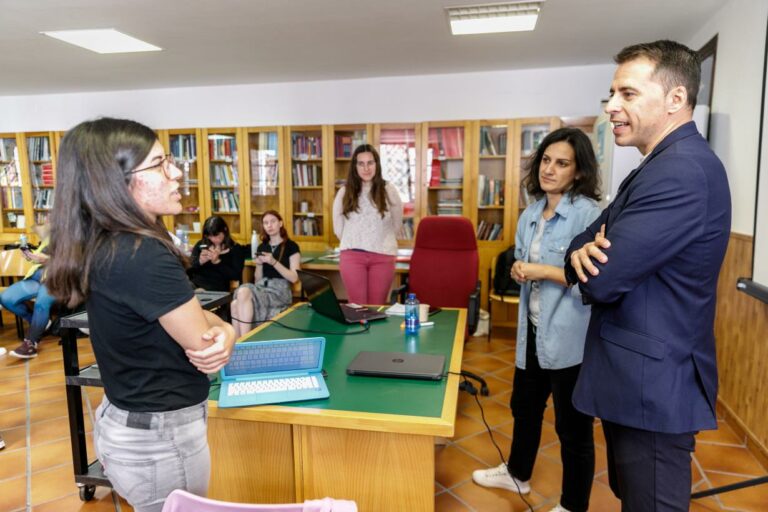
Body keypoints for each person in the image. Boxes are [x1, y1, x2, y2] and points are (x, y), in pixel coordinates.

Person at [564, 40, 731, 511]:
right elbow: (582, 242)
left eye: (628, 94)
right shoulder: (656, 167)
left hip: (654, 388)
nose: (611, 106)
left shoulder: (682, 172)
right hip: (636, 381)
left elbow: (599, 278)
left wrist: (586, 256)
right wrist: (582, 250)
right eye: (612, 94)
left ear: (675, 99)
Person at [45, 117, 236, 512]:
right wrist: (224, 329)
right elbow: (202, 341)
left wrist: (218, 326)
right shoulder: (142, 254)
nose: (177, 172)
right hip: (161, 440)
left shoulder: (111, 244)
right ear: (116, 183)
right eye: (159, 164)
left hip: (128, 423)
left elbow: (195, 316)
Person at [472, 128, 601, 512]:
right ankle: (518, 475)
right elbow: (526, 264)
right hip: (532, 332)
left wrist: (542, 271)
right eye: (546, 160)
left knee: (573, 429)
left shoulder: (589, 215)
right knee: (524, 409)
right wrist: (520, 271)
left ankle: (573, 505)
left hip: (569, 337)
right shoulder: (530, 213)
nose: (549, 169)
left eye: (561, 163)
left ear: (578, 172)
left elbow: (593, 280)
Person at [333, 144, 403, 305]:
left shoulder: (389, 190)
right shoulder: (344, 192)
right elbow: (338, 228)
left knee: (376, 308)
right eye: (361, 163)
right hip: (352, 256)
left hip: (383, 256)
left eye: (370, 163)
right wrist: (356, 240)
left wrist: (379, 240)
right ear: (355, 166)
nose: (366, 168)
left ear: (377, 165)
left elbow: (397, 225)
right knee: (357, 308)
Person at [230, 210, 300, 337]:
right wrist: (259, 264)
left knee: (243, 292)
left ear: (280, 223)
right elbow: (258, 281)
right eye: (265, 223)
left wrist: (273, 262)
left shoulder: (291, 246)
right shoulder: (262, 247)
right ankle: (238, 344)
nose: (269, 225)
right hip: (262, 288)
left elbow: (294, 278)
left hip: (279, 291)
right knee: (235, 303)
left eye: (273, 221)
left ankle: (244, 340)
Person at [2, 223, 56, 359]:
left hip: (55, 279)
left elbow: (75, 261)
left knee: (41, 304)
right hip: (36, 277)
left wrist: (48, 260)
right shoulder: (51, 236)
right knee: (6, 298)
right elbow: (38, 257)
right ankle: (39, 323)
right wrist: (29, 256)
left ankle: (30, 344)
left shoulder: (78, 235)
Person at [187, 216, 246, 292]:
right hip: (195, 285)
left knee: (196, 293)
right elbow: (188, 270)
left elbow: (236, 276)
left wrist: (217, 262)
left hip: (216, 289)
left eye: (216, 235)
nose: (213, 239)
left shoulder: (235, 249)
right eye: (210, 236)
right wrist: (200, 262)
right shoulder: (201, 245)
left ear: (225, 230)